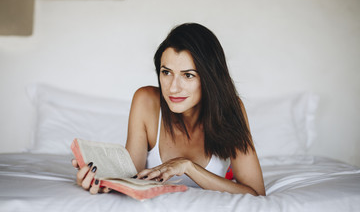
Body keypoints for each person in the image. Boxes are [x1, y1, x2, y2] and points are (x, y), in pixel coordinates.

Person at [72, 23, 266, 196]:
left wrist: (188, 167)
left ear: (210, 79)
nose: (173, 88)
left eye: (188, 75)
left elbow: (256, 192)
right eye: (166, 73)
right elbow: (130, 177)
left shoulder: (230, 109)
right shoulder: (146, 101)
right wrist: (102, 181)